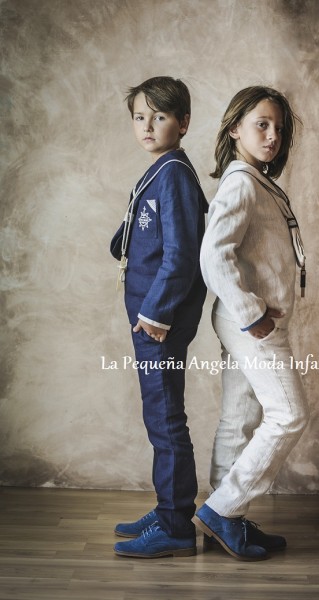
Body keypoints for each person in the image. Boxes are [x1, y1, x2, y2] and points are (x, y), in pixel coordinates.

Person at [193, 86, 310, 561]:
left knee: (239, 418)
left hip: (250, 321)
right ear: (235, 129)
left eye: (278, 128)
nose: (272, 135)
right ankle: (223, 509)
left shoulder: (257, 181)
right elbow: (213, 254)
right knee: (289, 415)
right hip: (251, 323)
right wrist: (251, 312)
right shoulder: (241, 183)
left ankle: (226, 521)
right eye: (261, 124)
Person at [110, 76, 208, 558]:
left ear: (183, 123)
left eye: (160, 116)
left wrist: (155, 312)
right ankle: (169, 507)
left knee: (166, 418)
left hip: (158, 320)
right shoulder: (161, 170)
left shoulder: (175, 175)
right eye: (139, 117)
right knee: (159, 415)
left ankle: (175, 526)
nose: (147, 126)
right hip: (149, 318)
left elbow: (182, 256)